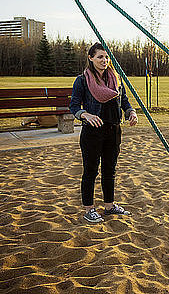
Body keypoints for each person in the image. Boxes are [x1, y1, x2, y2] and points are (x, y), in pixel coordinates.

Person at [69, 43, 138, 223]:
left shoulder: (116, 78)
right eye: (100, 57)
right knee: (90, 171)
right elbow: (74, 106)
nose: (104, 60)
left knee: (110, 170)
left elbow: (124, 101)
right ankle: (89, 209)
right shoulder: (82, 80)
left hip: (113, 130)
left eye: (106, 57)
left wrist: (131, 112)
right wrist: (85, 114)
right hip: (93, 132)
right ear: (91, 58)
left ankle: (109, 206)